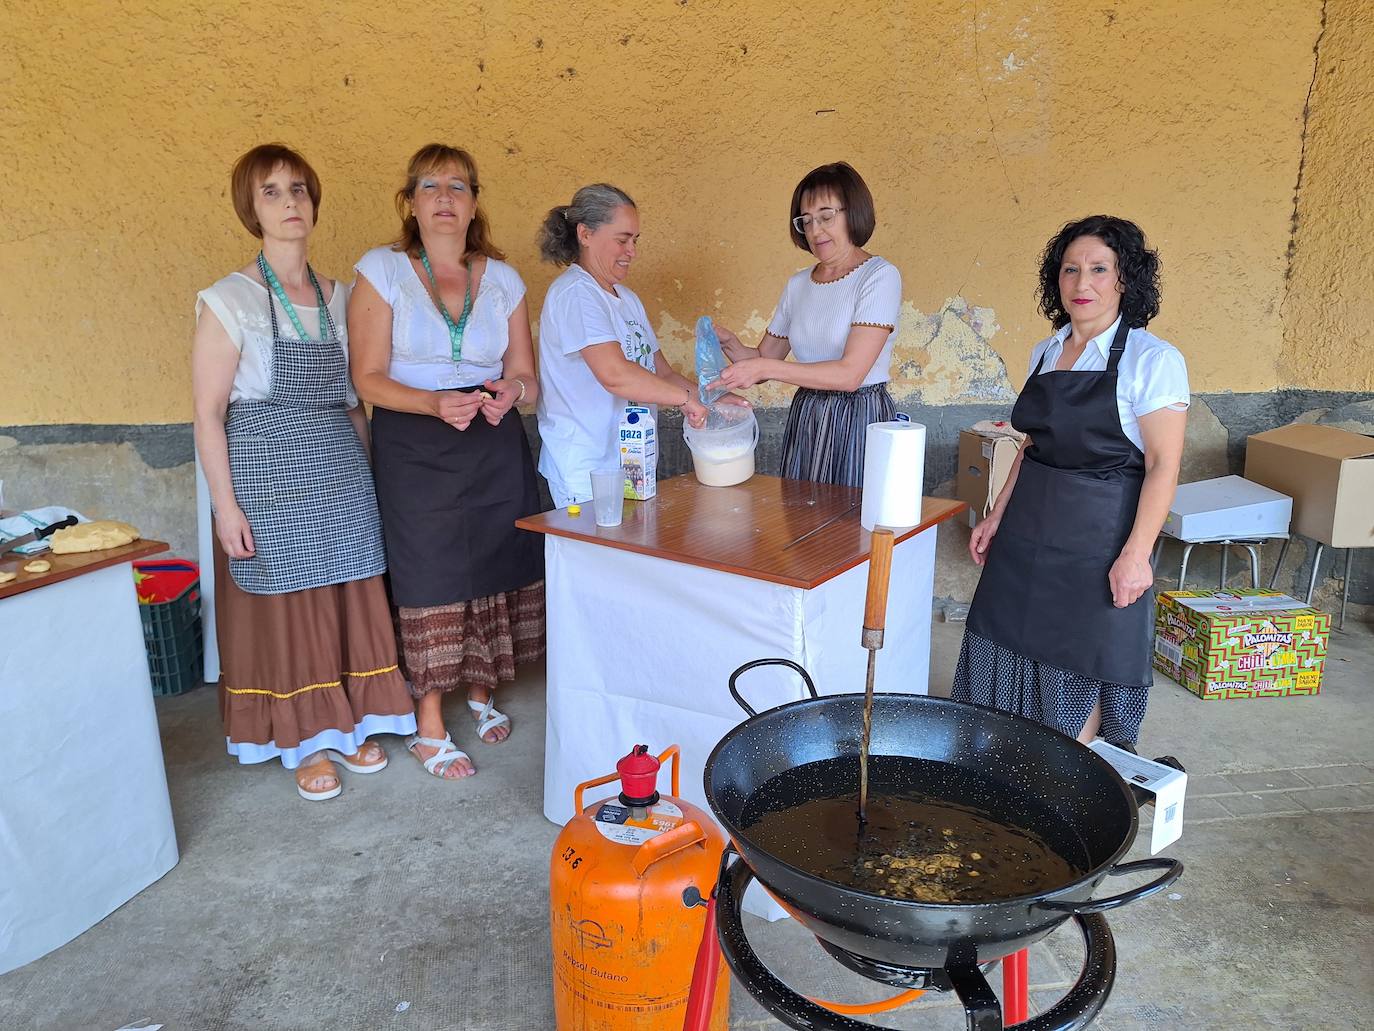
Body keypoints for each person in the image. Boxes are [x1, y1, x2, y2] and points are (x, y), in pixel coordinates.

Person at [191, 143, 415, 802]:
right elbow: (207, 414)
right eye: (271, 192)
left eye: (298, 189)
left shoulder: (340, 296)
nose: (290, 202)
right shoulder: (228, 300)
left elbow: (354, 401)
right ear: (251, 209)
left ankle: (350, 724)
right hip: (264, 473)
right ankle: (306, 738)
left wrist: (373, 479)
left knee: (349, 593)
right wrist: (226, 507)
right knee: (291, 606)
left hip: (338, 465)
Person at [951, 215, 1189, 748]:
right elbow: (1030, 446)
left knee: (1081, 660)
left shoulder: (1154, 361)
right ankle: (1002, 772)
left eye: (1099, 269)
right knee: (1002, 642)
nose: (1083, 284)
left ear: (1125, 278)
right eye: (1071, 270)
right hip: (1026, 532)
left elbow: (1162, 466)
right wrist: (996, 514)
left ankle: (1070, 791)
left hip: (1098, 542)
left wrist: (1136, 555)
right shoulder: (1046, 351)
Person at [349, 143, 544, 780]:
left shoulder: (505, 279)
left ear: (474, 202)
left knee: (492, 559)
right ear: (410, 202)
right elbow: (368, 379)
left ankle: (481, 690)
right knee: (427, 570)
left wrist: (509, 393)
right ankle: (429, 721)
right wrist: (435, 403)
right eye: (429, 186)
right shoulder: (383, 270)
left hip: (490, 437)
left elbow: (526, 378)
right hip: (416, 439)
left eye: (457, 186)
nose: (443, 197)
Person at [709, 161, 903, 486]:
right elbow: (764, 358)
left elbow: (850, 375)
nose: (815, 231)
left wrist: (765, 369)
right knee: (801, 521)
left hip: (858, 416)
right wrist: (728, 343)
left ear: (852, 212)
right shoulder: (798, 284)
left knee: (850, 524)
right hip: (807, 415)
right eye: (806, 221)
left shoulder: (879, 276)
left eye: (826, 217)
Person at [534, 183, 713, 507]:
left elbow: (662, 374)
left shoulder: (626, 299)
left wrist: (713, 400)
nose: (632, 251)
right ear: (585, 234)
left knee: (628, 554)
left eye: (635, 240)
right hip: (588, 471)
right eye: (622, 239)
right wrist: (686, 400)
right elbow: (614, 374)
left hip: (633, 463)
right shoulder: (576, 293)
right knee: (596, 556)